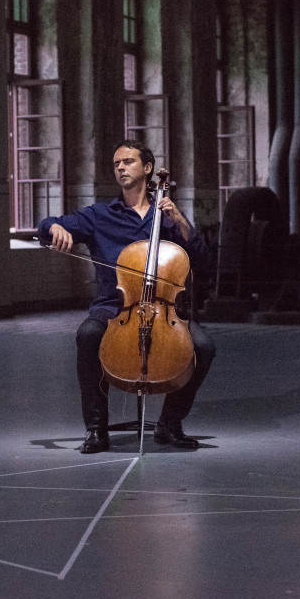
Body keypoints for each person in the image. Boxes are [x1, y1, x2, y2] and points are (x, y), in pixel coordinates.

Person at [38, 140, 216, 453]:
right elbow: (47, 226)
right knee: (88, 335)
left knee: (203, 347)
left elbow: (202, 260)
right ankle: (96, 429)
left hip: (165, 309)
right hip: (114, 307)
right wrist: (53, 227)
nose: (121, 167)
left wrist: (181, 223)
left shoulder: (168, 216)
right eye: (117, 162)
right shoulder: (100, 215)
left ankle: (169, 423)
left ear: (147, 168)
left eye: (128, 161)